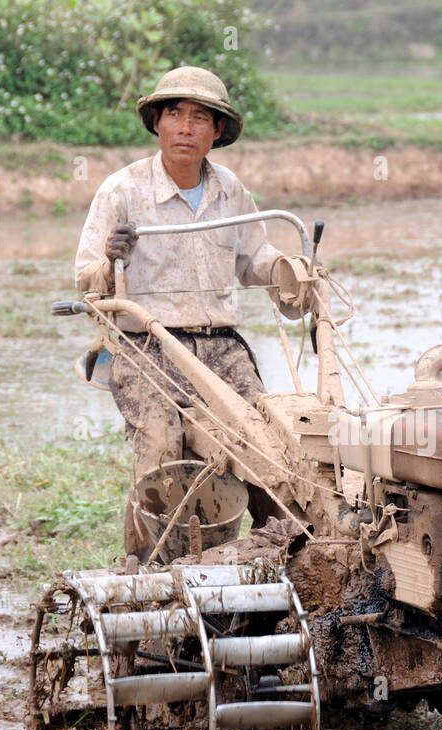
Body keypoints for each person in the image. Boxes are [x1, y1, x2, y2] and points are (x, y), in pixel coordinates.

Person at [74, 66, 296, 562]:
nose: (186, 127)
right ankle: (148, 577)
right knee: (161, 454)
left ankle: (290, 557)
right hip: (147, 346)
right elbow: (85, 277)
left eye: (200, 118)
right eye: (175, 113)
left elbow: (253, 258)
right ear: (157, 122)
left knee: (269, 445)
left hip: (220, 347)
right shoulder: (122, 191)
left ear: (217, 132)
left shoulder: (230, 191)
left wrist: (289, 269)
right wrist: (112, 260)